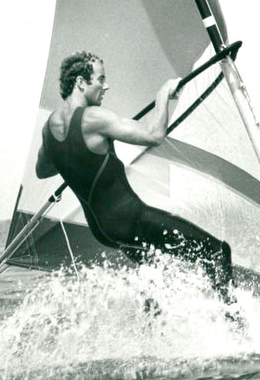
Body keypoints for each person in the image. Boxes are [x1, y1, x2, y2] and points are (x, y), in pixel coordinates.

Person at [35, 51, 236, 305]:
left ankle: (156, 337)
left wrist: (74, 160)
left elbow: (43, 170)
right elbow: (154, 135)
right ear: (80, 83)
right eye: (100, 79)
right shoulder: (95, 118)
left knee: (155, 278)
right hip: (130, 219)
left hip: (103, 230)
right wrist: (163, 96)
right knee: (217, 252)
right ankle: (237, 327)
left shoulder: (49, 128)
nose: (105, 86)